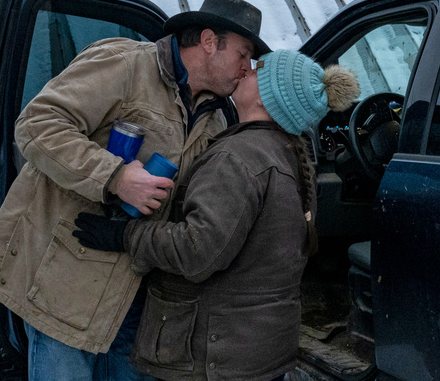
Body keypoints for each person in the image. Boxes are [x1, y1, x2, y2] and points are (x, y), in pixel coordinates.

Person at [0, 0, 270, 381]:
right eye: (243, 54)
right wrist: (115, 177)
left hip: (135, 299)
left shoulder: (213, 121)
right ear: (210, 41)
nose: (247, 69)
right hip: (66, 289)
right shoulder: (127, 65)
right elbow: (37, 125)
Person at [72, 49, 360, 381]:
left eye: (255, 73)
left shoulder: (235, 158)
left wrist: (122, 235)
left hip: (215, 356)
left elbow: (197, 251)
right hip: (258, 349)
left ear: (268, 99)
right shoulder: (288, 153)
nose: (244, 72)